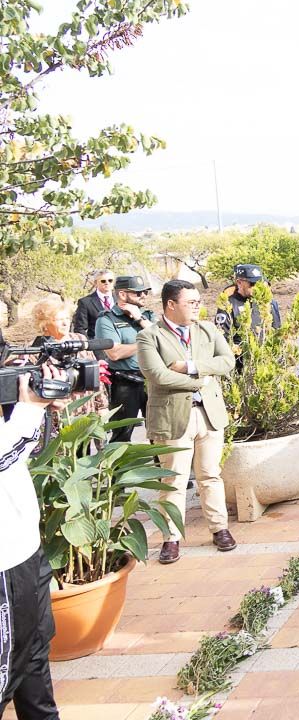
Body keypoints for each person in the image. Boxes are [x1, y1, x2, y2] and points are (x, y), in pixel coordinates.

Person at [138, 279, 238, 564]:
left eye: (198, 301)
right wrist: (201, 382)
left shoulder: (207, 330)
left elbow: (227, 361)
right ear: (171, 304)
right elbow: (158, 376)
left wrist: (192, 367)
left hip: (209, 415)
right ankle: (171, 537)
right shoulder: (150, 337)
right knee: (174, 480)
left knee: (210, 475)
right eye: (190, 302)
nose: (197, 307)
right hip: (173, 418)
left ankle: (220, 529)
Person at [0, 364, 73, 720]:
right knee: (5, 670)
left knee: (33, 655)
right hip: (3, 563)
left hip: (24, 548)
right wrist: (30, 411)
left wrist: (33, 404)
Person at [30, 296, 108, 430]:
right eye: (59, 320)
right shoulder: (35, 350)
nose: (66, 323)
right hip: (59, 416)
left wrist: (102, 406)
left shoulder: (79, 339)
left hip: (87, 410)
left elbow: (95, 374)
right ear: (44, 324)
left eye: (67, 318)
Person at [95, 276, 155, 442]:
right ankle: (121, 468)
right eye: (138, 293)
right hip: (125, 382)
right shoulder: (107, 319)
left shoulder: (147, 316)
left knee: (158, 432)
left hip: (151, 379)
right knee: (122, 434)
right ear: (122, 294)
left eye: (145, 292)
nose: (143, 295)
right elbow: (114, 353)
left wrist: (140, 319)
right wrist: (147, 342)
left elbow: (163, 341)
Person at [214, 264, 282, 340]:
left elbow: (277, 332)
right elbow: (222, 338)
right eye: (253, 284)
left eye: (259, 283)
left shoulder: (268, 303)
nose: (257, 287)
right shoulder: (228, 305)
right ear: (239, 282)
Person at [71, 269, 115, 337]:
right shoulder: (85, 302)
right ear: (95, 283)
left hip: (120, 343)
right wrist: (90, 344)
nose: (107, 283)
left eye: (110, 280)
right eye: (103, 281)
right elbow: (80, 329)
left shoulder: (121, 299)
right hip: (98, 344)